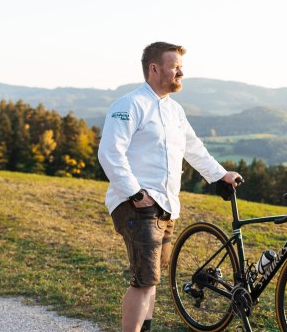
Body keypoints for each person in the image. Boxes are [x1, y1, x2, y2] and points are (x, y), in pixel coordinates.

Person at [98, 41, 242, 332]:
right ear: (154, 68)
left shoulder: (175, 111)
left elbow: (194, 149)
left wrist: (220, 175)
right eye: (175, 67)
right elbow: (110, 152)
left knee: (151, 279)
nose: (181, 73)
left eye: (181, 67)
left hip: (166, 207)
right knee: (144, 281)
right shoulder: (129, 105)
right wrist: (135, 193)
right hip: (137, 206)